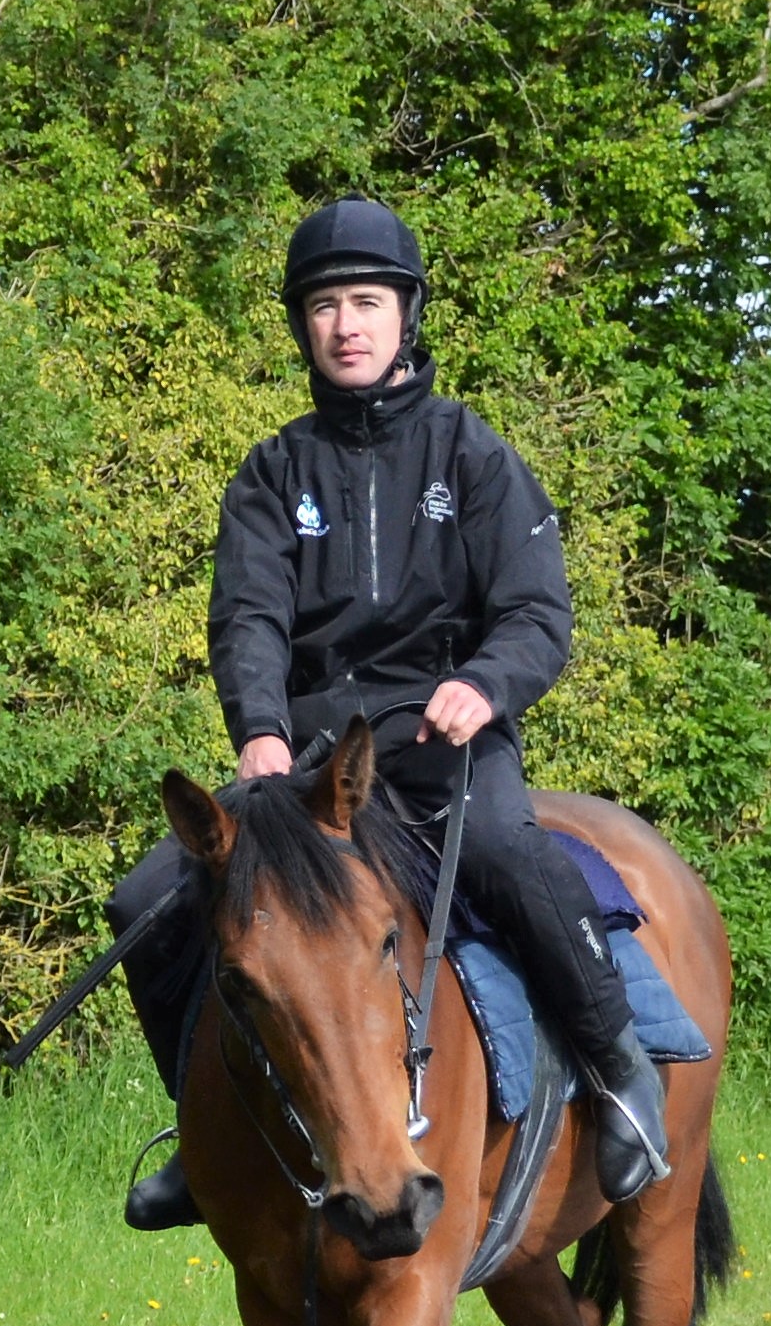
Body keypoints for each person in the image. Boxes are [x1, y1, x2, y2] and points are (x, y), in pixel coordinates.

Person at [107, 194, 673, 1229]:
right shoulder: (273, 472)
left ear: (407, 315)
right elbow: (248, 617)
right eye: (325, 306)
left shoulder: (471, 453)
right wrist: (262, 728)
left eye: (367, 301)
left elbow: (538, 610)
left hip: (439, 743)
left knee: (509, 849)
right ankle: (203, 1139)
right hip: (312, 766)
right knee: (149, 895)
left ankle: (620, 1069)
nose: (346, 324)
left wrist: (486, 682)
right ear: (303, 326)